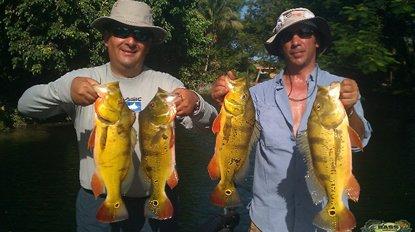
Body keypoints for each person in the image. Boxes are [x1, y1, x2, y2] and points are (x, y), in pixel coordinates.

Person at [17, 1, 217, 231]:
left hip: (155, 198)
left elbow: (211, 126)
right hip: (97, 201)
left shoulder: (167, 85)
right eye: (121, 31)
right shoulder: (83, 80)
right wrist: (65, 91)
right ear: (106, 38)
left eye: (141, 34)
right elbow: (25, 105)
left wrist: (196, 103)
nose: (130, 41)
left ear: (149, 44)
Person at [211, 7, 372, 232]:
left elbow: (360, 142)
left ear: (317, 41)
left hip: (327, 220)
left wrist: (351, 110)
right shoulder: (255, 95)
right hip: (266, 221)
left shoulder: (342, 88)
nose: (295, 41)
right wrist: (221, 105)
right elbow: (231, 137)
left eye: (305, 32)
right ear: (280, 46)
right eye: (287, 36)